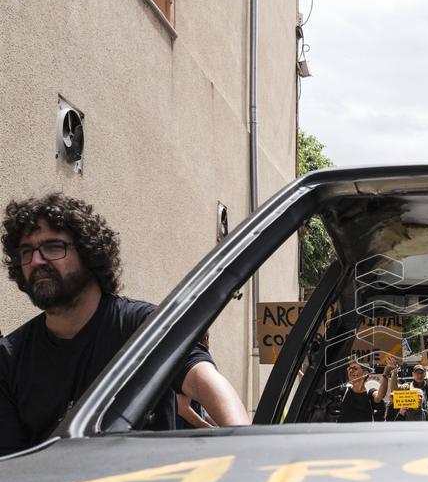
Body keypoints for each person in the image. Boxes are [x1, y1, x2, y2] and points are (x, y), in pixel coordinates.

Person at [0, 193, 249, 455]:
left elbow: (202, 380)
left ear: (88, 252)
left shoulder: (143, 326)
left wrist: (248, 450)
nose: (37, 261)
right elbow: (10, 462)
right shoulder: (9, 358)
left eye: (53, 247)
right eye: (27, 251)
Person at [337, 356, 391, 423]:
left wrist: (386, 373)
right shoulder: (343, 391)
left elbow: (379, 396)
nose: (351, 371)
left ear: (365, 374)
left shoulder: (370, 392)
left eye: (354, 368)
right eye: (349, 369)